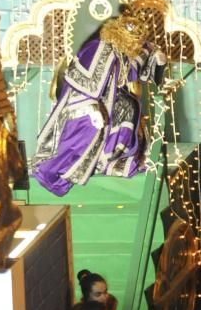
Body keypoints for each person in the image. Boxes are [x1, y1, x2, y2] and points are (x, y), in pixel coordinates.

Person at [31, 12, 155, 196]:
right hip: (81, 109)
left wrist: (152, 54)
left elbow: (130, 69)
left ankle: (110, 159)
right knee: (90, 128)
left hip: (106, 104)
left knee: (128, 106)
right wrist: (90, 107)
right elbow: (80, 84)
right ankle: (62, 169)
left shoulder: (118, 54)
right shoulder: (96, 49)